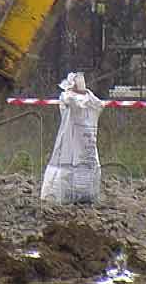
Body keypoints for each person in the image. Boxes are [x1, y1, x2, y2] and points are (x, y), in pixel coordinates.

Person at [40, 72, 104, 204]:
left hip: (77, 149)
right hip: (74, 147)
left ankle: (65, 195)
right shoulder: (80, 102)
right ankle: (78, 195)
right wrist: (81, 93)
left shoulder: (88, 103)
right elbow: (70, 100)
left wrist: (82, 93)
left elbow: (96, 104)